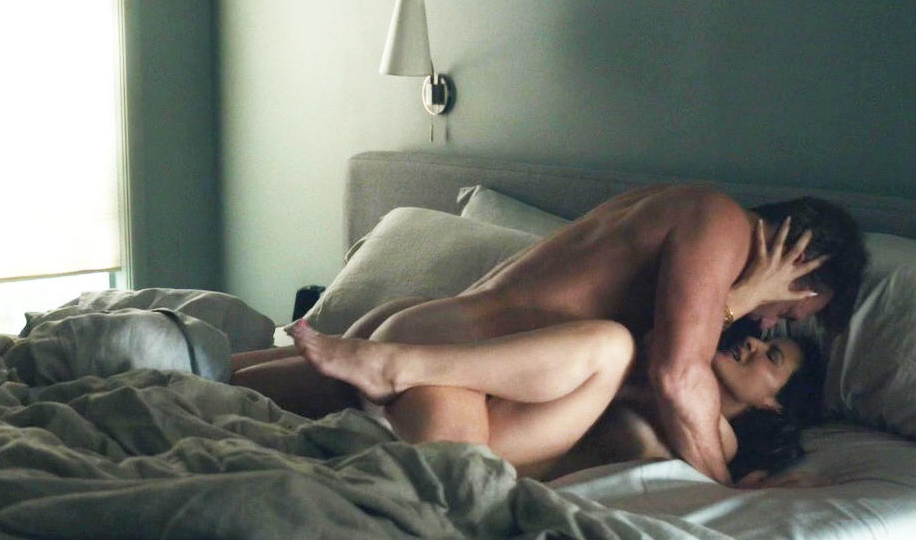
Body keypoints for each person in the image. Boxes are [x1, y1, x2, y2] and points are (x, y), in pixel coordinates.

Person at [235, 185, 866, 485]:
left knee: (218, 385)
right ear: (801, 262)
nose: (772, 322)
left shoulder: (682, 204)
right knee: (440, 503)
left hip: (434, 333)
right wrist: (722, 490)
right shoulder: (721, 225)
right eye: (793, 311)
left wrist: (742, 299)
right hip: (455, 373)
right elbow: (676, 373)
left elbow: (655, 358)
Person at [282, 316, 825, 485]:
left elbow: (665, 380)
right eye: (763, 340)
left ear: (774, 406)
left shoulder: (718, 440)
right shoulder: (665, 373)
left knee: (610, 345)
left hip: (487, 450)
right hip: (461, 410)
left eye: (773, 357)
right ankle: (390, 364)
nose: (754, 345)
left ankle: (394, 366)